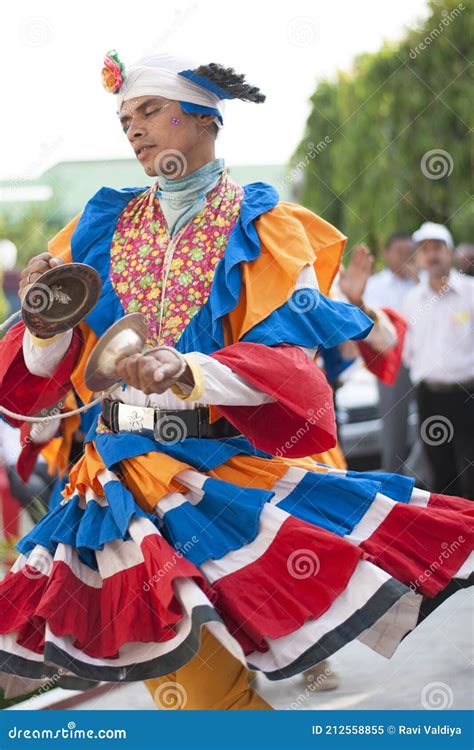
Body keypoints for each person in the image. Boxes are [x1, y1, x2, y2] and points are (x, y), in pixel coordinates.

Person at [0, 53, 472, 710]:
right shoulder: (98, 224)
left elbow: (287, 366)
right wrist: (45, 321)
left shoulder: (267, 227)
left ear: (206, 119)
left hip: (216, 474)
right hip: (114, 482)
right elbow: (44, 367)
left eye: (148, 112)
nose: (133, 131)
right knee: (184, 686)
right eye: (123, 120)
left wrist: (187, 369)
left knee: (212, 696)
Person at [403, 222, 474, 499]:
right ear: (418, 258)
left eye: (437, 248)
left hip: (469, 393)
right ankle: (457, 538)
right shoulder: (411, 300)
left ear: (451, 252)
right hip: (430, 397)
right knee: (441, 474)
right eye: (424, 249)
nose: (431, 255)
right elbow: (408, 351)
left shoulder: (470, 292)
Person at [362, 233, 418, 473]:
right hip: (392, 364)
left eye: (410, 252)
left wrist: (419, 282)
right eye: (400, 251)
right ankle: (393, 482)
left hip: (424, 363)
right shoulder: (374, 286)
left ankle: (419, 475)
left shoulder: (423, 283)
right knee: (394, 429)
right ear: (386, 253)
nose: (405, 257)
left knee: (435, 426)